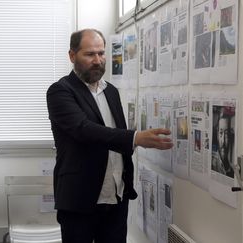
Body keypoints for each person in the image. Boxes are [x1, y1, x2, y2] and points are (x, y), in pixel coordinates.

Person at [46, 28, 173, 243]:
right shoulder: (60, 91)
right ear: (72, 56)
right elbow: (83, 129)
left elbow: (113, 136)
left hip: (116, 198)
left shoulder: (111, 91)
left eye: (101, 53)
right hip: (80, 200)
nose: (97, 60)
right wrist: (134, 138)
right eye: (89, 54)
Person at [211, 106, 235, 178]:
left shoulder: (231, 170)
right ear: (217, 134)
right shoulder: (212, 163)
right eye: (221, 133)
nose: (223, 140)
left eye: (226, 134)